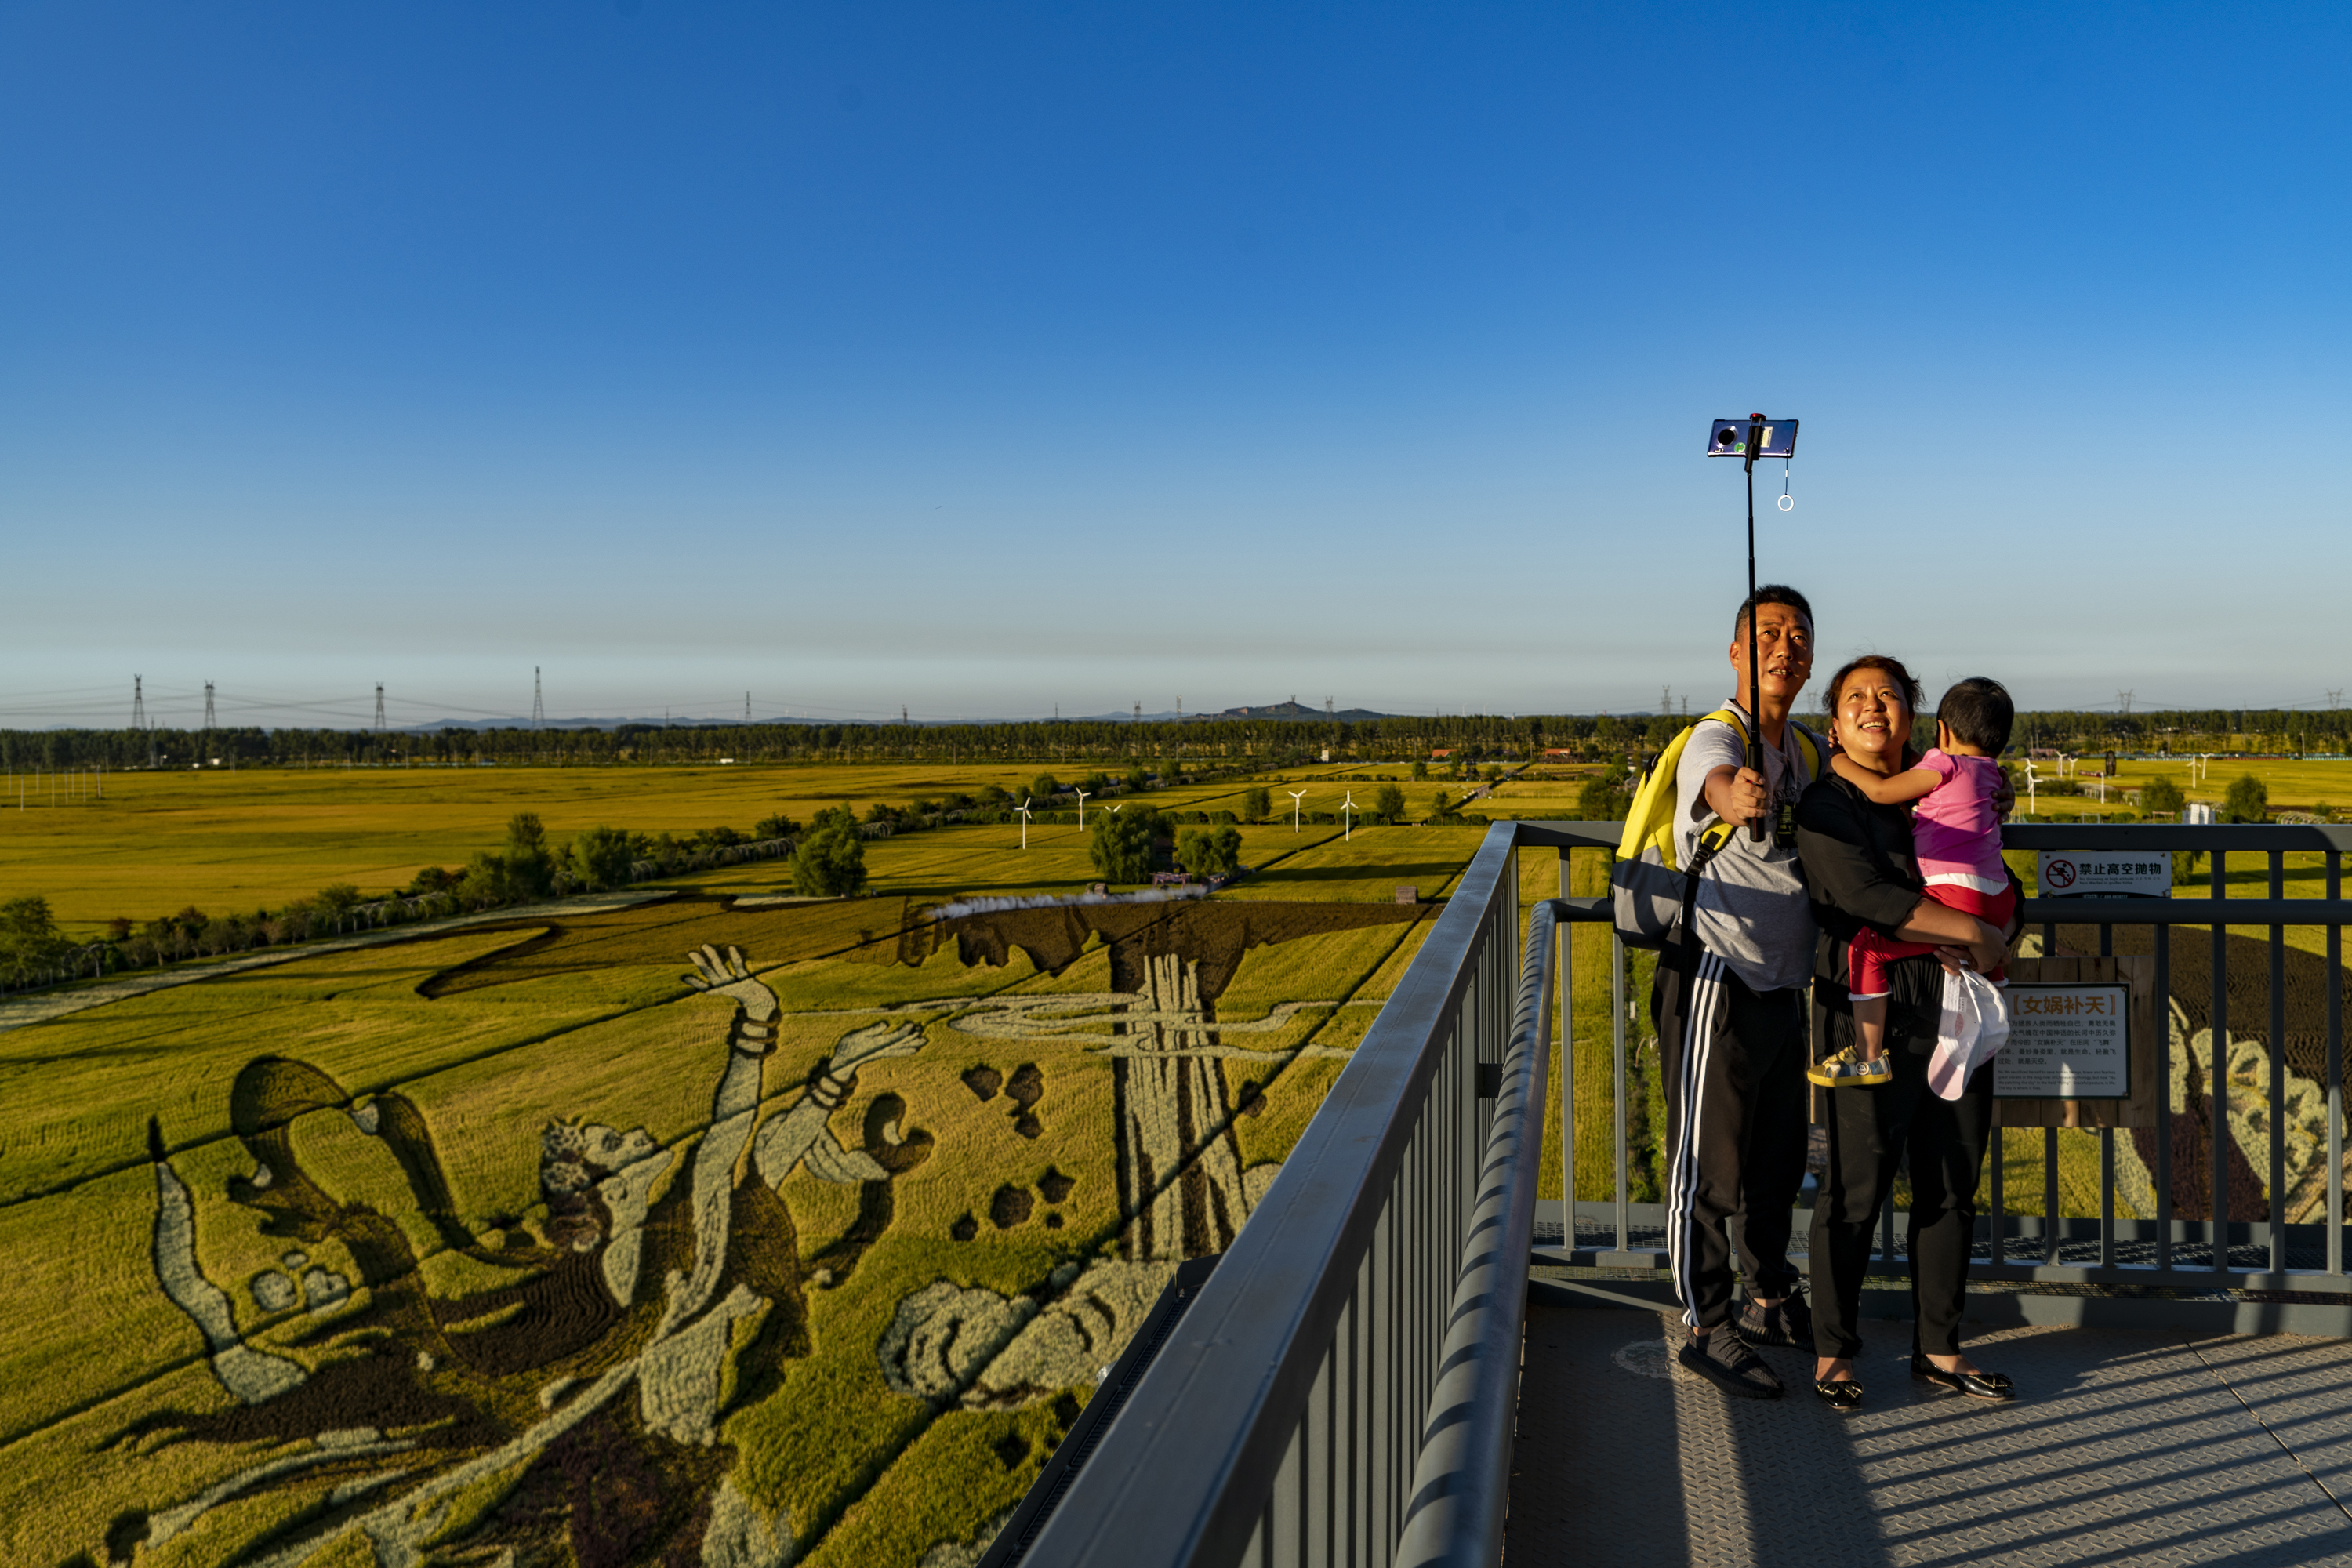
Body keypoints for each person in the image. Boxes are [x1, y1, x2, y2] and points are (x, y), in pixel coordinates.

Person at [1796, 656, 2024, 1410]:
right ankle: (1834, 1352)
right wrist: (1973, 932)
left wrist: (2003, 931)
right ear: (1834, 724)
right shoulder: (1829, 802)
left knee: (1952, 1186)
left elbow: (2002, 877)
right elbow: (1863, 895)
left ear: (1917, 716)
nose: (1872, 706)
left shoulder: (1944, 784)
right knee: (1855, 1190)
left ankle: (1941, 1349)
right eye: (1855, 697)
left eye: (1887, 695)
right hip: (1870, 1012)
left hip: (1955, 1007)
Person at [1657, 584, 1824, 1400]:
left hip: (1784, 980)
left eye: (1798, 636)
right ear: (1734, 651)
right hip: (1719, 971)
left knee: (1775, 1159)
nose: (1783, 648)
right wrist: (1734, 793)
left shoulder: (1806, 748)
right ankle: (1704, 1321)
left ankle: (1767, 1295)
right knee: (1708, 1161)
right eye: (1766, 635)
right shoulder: (1716, 736)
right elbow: (1716, 780)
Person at [1812, 677, 2018, 1087]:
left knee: (1866, 951)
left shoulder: (1942, 764)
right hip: (1999, 899)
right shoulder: (1994, 775)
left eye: (1887, 695)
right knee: (1984, 962)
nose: (1873, 705)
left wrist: (1836, 760)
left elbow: (1882, 790)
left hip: (1954, 896)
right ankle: (1988, 1026)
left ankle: (1868, 1055)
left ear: (1940, 729)